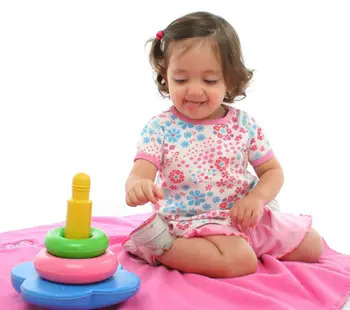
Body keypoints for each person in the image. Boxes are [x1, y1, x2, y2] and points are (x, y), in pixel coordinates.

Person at [123, 11, 323, 278]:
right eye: (181, 80)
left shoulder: (243, 124)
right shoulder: (160, 128)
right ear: (165, 75)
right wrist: (138, 186)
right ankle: (159, 246)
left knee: (312, 245)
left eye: (209, 80)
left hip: (244, 216)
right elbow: (140, 172)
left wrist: (257, 199)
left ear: (230, 79)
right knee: (241, 263)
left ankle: (237, 246)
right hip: (192, 221)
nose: (194, 91)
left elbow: (273, 172)